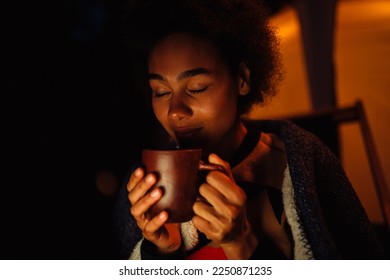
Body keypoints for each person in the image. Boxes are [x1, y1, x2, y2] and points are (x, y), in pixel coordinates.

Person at [113, 0, 385, 260]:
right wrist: (161, 251)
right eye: (160, 92)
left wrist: (241, 242)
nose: (175, 111)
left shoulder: (300, 165)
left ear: (241, 80)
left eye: (197, 88)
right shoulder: (142, 189)